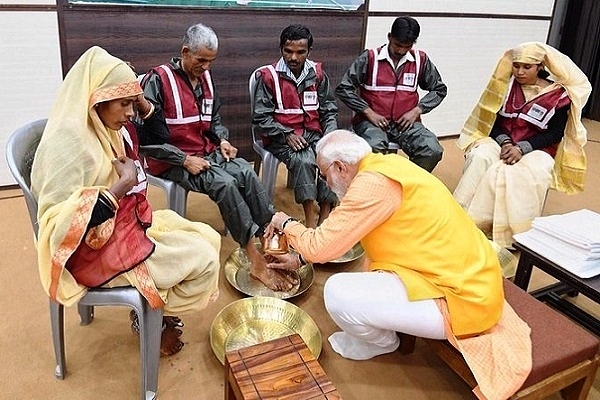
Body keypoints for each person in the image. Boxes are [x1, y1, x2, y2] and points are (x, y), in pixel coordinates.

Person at [263, 130, 533, 399]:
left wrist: (285, 223)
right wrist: (298, 258)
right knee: (365, 269)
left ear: (340, 167)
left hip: (459, 296)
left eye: (324, 174)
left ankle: (382, 343)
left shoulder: (371, 186)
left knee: (336, 292)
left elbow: (320, 248)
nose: (324, 181)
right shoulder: (387, 165)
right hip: (462, 272)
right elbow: (349, 234)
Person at [30, 46, 221, 357]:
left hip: (123, 222)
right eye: (125, 104)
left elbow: (159, 135)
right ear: (97, 98)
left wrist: (139, 101)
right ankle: (148, 314)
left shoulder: (105, 127)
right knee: (204, 259)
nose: (132, 113)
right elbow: (56, 225)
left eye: (134, 104)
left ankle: (148, 309)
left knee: (207, 237)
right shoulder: (68, 142)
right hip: (89, 251)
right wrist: (121, 185)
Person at [140, 23, 297, 291]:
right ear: (185, 51)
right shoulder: (158, 80)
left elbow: (214, 119)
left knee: (246, 172)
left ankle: (267, 233)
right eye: (201, 60)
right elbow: (146, 141)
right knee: (224, 184)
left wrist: (222, 139)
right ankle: (254, 256)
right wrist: (184, 160)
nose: (206, 67)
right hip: (171, 160)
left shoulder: (205, 77)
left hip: (206, 150)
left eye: (211, 61)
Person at [453, 42, 592, 248]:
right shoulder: (503, 86)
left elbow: (555, 134)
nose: (519, 72)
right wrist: (506, 142)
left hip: (537, 147)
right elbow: (491, 122)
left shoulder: (559, 96)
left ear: (540, 67)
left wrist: (522, 148)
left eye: (527, 67)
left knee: (528, 172)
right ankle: (458, 218)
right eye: (516, 66)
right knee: (480, 156)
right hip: (502, 141)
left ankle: (512, 236)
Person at [252, 24, 339, 228]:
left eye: (300, 52)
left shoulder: (316, 74)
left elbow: (329, 109)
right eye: (288, 51)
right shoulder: (268, 77)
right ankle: (309, 221)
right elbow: (260, 118)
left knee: (334, 156)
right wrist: (286, 134)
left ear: (309, 51)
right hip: (280, 137)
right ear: (281, 49)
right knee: (304, 160)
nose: (293, 57)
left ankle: (325, 214)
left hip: (313, 132)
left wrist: (330, 136)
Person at [335, 16, 447, 172]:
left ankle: (407, 184)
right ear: (389, 37)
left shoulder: (420, 60)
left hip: (407, 124)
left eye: (406, 46)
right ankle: (374, 187)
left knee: (432, 149)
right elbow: (344, 88)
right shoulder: (370, 58)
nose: (401, 51)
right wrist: (368, 112)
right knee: (373, 148)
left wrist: (417, 110)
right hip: (371, 123)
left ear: (413, 44)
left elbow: (439, 89)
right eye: (397, 45)